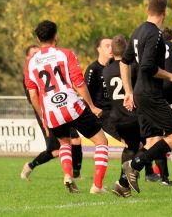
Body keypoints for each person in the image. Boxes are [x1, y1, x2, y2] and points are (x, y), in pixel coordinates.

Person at [24, 20, 109, 194]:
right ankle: (97, 186)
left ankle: (68, 175)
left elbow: (33, 94)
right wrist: (91, 106)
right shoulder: (65, 54)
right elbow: (78, 82)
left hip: (52, 112)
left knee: (64, 143)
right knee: (101, 142)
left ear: (38, 38)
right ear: (56, 36)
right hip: (72, 106)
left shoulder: (31, 63)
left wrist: (43, 117)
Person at [120, 0, 172, 194]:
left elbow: (124, 61)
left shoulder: (138, 31)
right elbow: (149, 67)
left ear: (148, 10)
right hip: (150, 94)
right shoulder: (156, 35)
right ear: (164, 13)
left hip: (141, 93)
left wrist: (129, 92)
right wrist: (171, 76)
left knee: (153, 140)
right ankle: (134, 165)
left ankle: (122, 184)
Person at [20, 45, 84, 180]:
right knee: (55, 150)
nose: (38, 55)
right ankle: (30, 166)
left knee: (76, 140)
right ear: (27, 58)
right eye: (33, 54)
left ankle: (76, 174)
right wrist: (43, 117)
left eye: (38, 52)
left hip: (61, 107)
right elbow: (33, 98)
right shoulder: (30, 75)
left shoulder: (49, 67)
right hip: (46, 114)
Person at [144, 28, 172, 184]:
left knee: (153, 138)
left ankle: (155, 174)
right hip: (169, 85)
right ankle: (170, 128)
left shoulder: (152, 45)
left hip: (151, 89)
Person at [102, 35, 142, 198]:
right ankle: (123, 180)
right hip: (132, 114)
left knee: (130, 148)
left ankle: (123, 184)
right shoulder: (132, 66)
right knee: (151, 145)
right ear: (127, 49)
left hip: (116, 117)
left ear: (112, 50)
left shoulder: (106, 70)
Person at [85, 38, 117, 139]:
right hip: (104, 113)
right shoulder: (93, 69)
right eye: (107, 46)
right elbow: (85, 92)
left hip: (119, 110)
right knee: (128, 140)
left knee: (133, 142)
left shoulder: (118, 66)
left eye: (112, 46)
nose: (111, 48)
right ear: (99, 49)